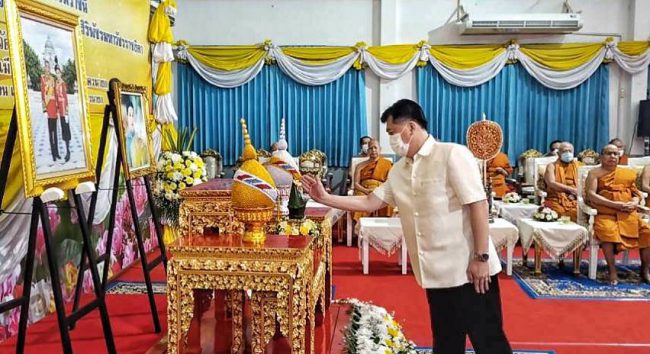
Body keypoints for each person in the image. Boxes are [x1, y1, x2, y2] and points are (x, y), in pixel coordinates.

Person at [302, 99, 511, 354]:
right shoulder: (399, 170)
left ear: (411, 127)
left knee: (489, 341)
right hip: (435, 273)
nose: (390, 139)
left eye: (392, 132)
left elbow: (478, 204)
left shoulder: (451, 154)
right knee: (446, 342)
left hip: (469, 270)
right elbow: (370, 200)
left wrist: (481, 258)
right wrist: (325, 198)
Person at [586, 144, 650, 285]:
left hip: (627, 214)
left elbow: (635, 193)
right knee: (607, 232)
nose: (613, 157)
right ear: (602, 156)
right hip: (606, 213)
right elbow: (592, 195)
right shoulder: (594, 173)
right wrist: (615, 205)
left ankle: (645, 270)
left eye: (615, 154)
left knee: (647, 232)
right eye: (609, 153)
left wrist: (634, 201)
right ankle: (612, 270)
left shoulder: (626, 173)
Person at [353, 139, 393, 222]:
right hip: (363, 190)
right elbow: (356, 184)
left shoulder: (387, 164)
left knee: (389, 202)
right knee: (359, 203)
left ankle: (383, 227)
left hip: (381, 189)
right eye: (371, 148)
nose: (373, 150)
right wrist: (366, 191)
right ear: (368, 151)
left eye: (375, 148)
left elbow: (390, 182)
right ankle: (359, 227)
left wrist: (378, 191)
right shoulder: (360, 166)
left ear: (380, 149)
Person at [543, 142, 581, 221]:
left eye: (570, 151)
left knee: (578, 212)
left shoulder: (580, 166)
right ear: (559, 153)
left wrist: (574, 195)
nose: (568, 153)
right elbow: (551, 183)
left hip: (575, 197)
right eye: (564, 151)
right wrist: (571, 190)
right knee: (558, 212)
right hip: (556, 197)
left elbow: (585, 184)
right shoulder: (551, 166)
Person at [41, 60, 59, 161]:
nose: (47, 68)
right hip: (48, 107)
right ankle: (53, 153)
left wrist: (57, 108)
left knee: (56, 132)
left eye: (48, 67)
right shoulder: (42, 79)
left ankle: (56, 152)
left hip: (54, 107)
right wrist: (44, 110)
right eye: (46, 66)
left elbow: (55, 94)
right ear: (44, 68)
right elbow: (43, 95)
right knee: (50, 131)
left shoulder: (52, 79)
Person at [54, 59, 71, 162]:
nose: (57, 74)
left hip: (64, 109)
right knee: (62, 131)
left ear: (61, 73)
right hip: (59, 111)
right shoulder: (56, 83)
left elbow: (65, 97)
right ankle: (65, 150)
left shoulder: (63, 84)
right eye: (56, 72)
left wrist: (67, 111)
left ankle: (68, 151)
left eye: (58, 72)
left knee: (66, 131)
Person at [123, 101, 148, 169]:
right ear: (127, 116)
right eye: (130, 115)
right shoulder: (126, 138)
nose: (132, 118)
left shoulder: (139, 136)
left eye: (133, 115)